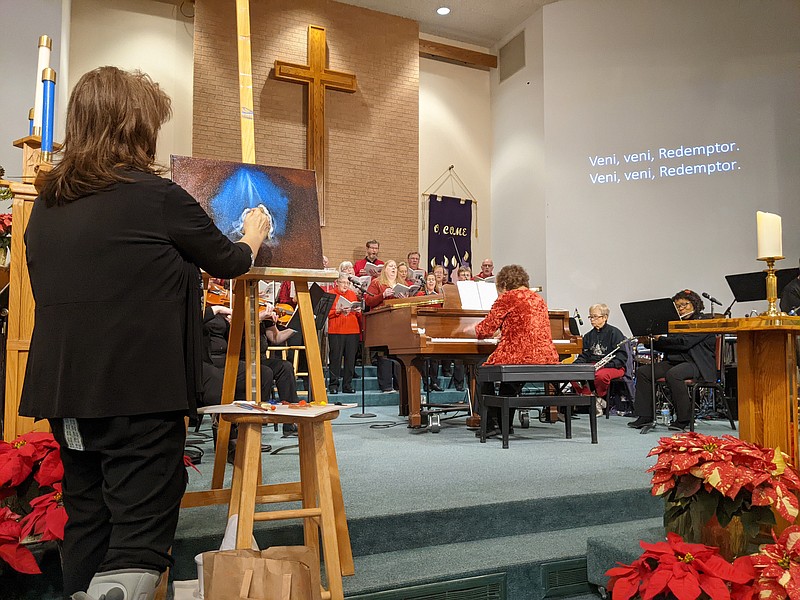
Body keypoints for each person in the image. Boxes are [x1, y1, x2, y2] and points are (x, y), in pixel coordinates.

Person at [18, 67, 271, 600]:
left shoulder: (44, 208)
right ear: (134, 127)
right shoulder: (156, 197)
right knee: (138, 539)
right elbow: (226, 261)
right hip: (138, 394)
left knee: (88, 518)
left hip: (68, 396)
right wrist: (252, 237)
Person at [465, 265, 558, 436]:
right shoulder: (538, 299)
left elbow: (485, 329)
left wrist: (470, 329)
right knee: (509, 382)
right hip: (545, 355)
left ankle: (491, 424)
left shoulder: (508, 297)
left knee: (480, 369)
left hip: (519, 355)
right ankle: (505, 424)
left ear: (504, 284)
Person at [628, 289, 715, 432]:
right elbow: (669, 345)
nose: (681, 309)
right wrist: (647, 341)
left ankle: (683, 419)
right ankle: (645, 416)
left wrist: (660, 338)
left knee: (674, 374)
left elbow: (684, 343)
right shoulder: (675, 323)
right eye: (678, 306)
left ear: (694, 304)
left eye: (684, 305)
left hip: (696, 364)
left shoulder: (703, 322)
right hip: (675, 362)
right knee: (643, 372)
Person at [571, 304, 628, 415]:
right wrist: (575, 366)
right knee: (572, 374)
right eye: (590, 317)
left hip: (613, 366)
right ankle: (592, 398)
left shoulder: (615, 333)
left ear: (605, 317)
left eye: (595, 317)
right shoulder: (588, 335)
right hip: (594, 365)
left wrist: (606, 365)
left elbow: (621, 357)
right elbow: (584, 355)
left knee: (600, 375)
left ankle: (599, 396)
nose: (592, 320)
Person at [364, 260, 401, 392]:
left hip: (399, 322)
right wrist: (383, 295)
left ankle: (399, 385)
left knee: (399, 353)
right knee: (385, 354)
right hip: (383, 322)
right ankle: (386, 385)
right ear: (384, 269)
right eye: (390, 266)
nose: (393, 269)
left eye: (395, 267)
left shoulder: (402, 284)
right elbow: (368, 300)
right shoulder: (377, 283)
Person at [327, 273, 361, 394]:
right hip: (336, 330)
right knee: (335, 358)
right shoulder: (331, 293)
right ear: (337, 282)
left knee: (350, 359)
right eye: (343, 282)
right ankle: (333, 385)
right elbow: (326, 313)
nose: (346, 285)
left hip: (353, 330)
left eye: (348, 283)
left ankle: (347, 385)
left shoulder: (352, 294)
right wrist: (337, 310)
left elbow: (358, 313)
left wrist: (358, 310)